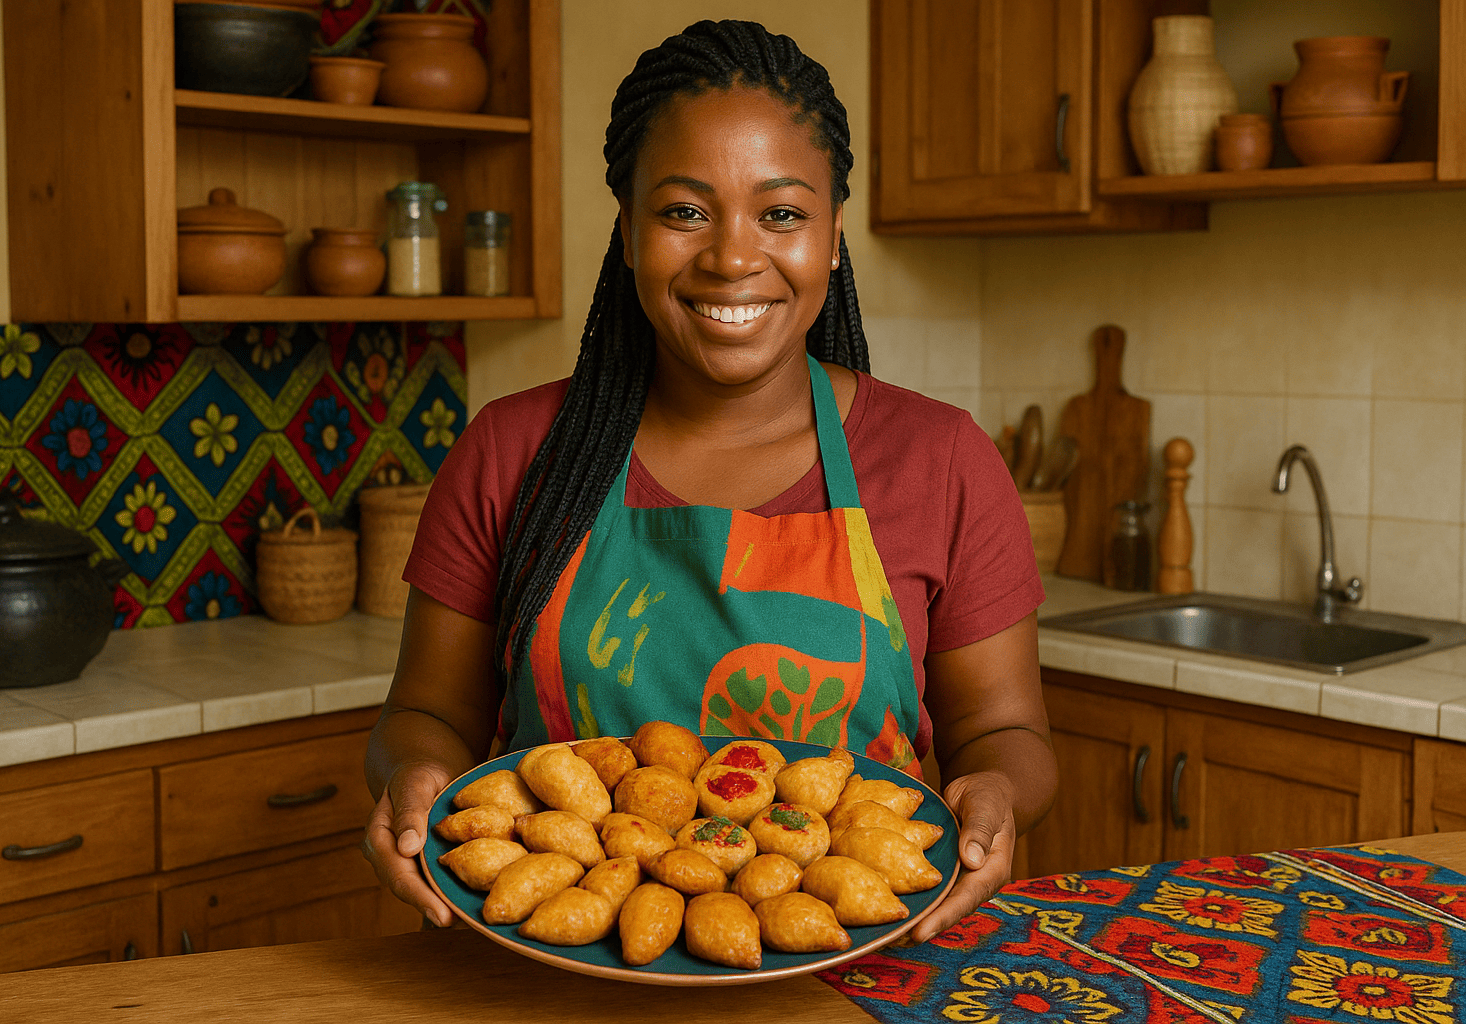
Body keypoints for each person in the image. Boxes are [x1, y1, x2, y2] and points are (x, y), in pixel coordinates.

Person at [361, 19, 1056, 944]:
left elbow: (1008, 732)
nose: (733, 257)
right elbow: (423, 714)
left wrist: (996, 792)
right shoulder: (509, 450)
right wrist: (414, 779)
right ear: (627, 230)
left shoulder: (942, 459)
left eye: (782, 214)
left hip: (857, 972)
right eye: (685, 211)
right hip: (551, 980)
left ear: (833, 237)